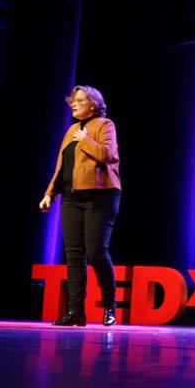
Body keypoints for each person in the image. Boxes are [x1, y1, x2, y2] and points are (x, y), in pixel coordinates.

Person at [38, 85, 122, 326]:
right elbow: (62, 166)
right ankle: (76, 312)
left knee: (96, 252)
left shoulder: (105, 125)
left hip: (101, 195)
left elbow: (108, 154)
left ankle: (109, 305)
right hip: (71, 197)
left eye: (80, 101)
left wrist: (85, 140)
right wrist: (50, 194)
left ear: (93, 105)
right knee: (74, 256)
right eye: (73, 101)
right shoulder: (72, 129)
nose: (73, 104)